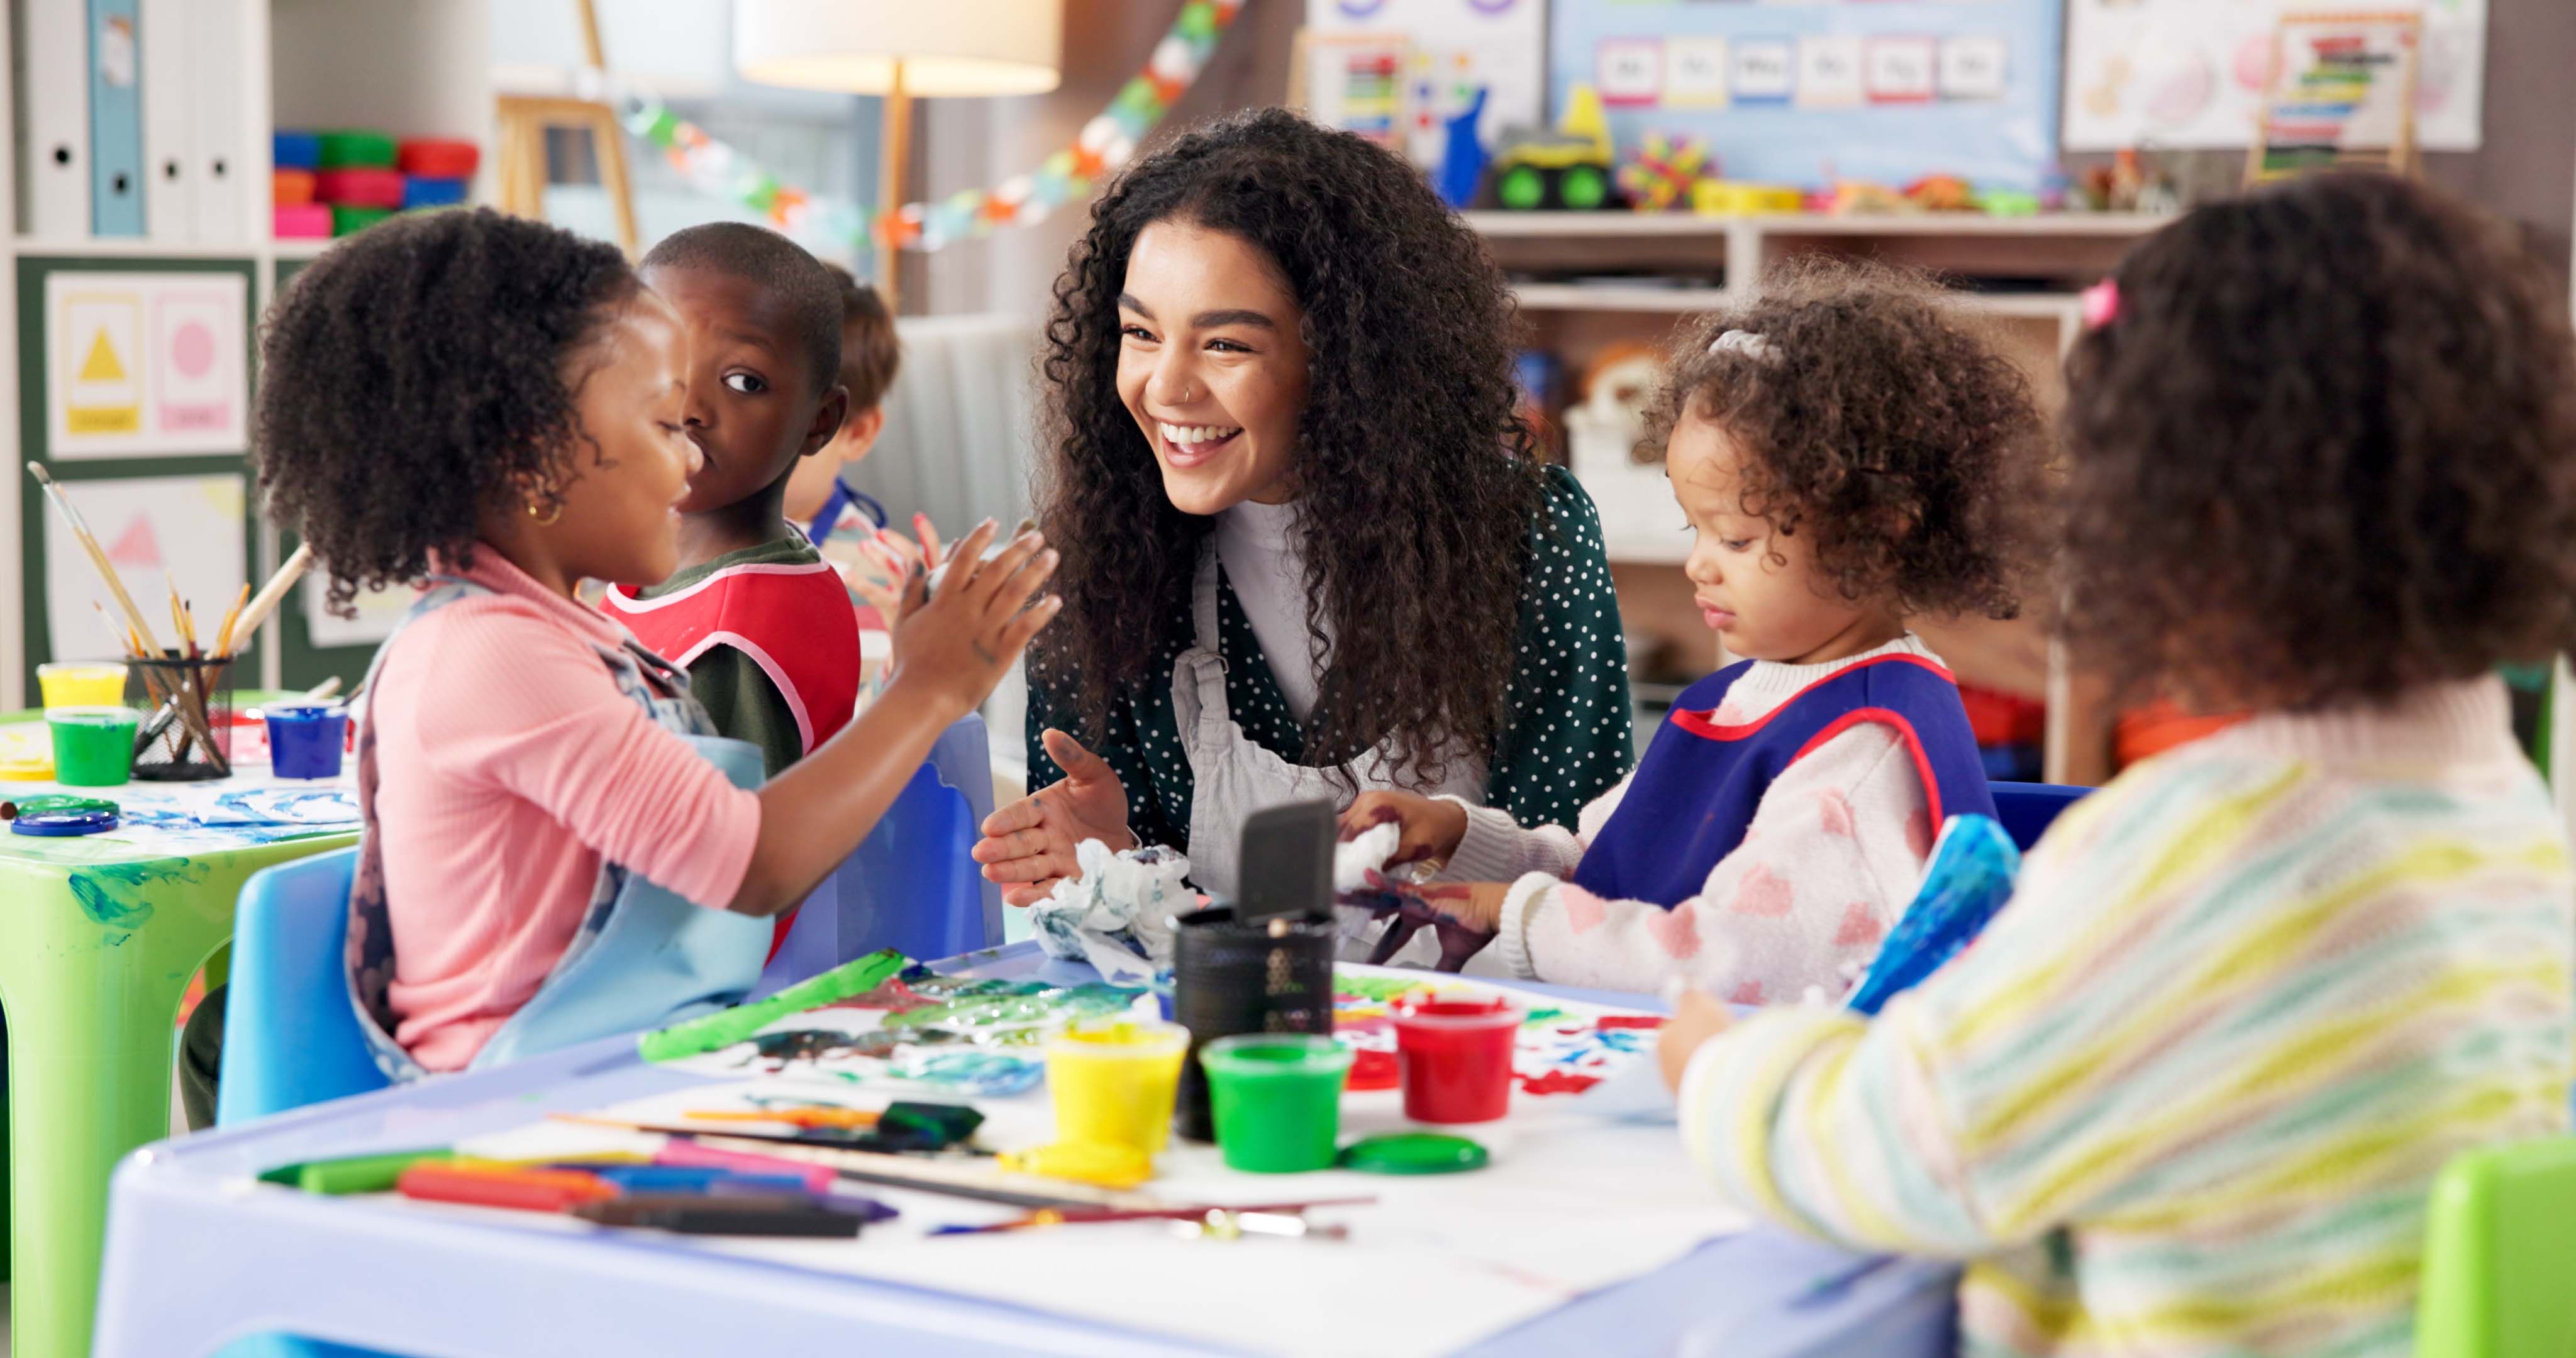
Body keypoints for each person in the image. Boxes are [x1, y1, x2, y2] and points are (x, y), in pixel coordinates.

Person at [1658, 173, 2576, 1357]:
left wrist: (1724, 1070)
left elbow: (1906, 1149)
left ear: (2174, 514)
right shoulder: (2512, 815)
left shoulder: (2209, 851)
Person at [191, 209, 1055, 1113]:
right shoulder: (496, 655)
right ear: (535, 456)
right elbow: (752, 864)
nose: (686, 458)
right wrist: (930, 687)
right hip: (513, 1108)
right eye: (658, 422)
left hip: (612, 1062)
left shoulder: (550, 628)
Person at [973, 109, 1633, 962]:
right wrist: (1108, 859)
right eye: (1140, 334)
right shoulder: (1093, 565)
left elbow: (1590, 881)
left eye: (1225, 344)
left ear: (1349, 358)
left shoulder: (1529, 531)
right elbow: (1098, 942)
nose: (1165, 387)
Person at [1356, 263, 2041, 996]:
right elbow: (1609, 869)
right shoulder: (1741, 696)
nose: (1698, 567)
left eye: (1736, 541)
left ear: (1875, 533)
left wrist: (1522, 916)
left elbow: (1726, 966)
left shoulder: (1861, 752)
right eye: (1695, 529)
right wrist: (1464, 840)